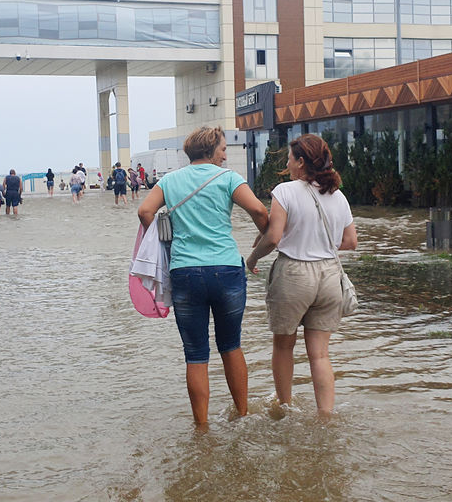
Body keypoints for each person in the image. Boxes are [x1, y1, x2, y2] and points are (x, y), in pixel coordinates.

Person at [138, 126, 268, 428]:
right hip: (226, 270)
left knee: (195, 353)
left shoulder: (170, 180)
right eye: (223, 148)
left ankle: (201, 427)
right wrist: (262, 236)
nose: (225, 154)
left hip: (185, 273)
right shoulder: (229, 179)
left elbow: (145, 212)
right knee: (231, 345)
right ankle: (242, 416)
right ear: (210, 150)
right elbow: (260, 211)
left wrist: (165, 240)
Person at [246, 134, 358, 416]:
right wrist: (320, 244)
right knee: (320, 354)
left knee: (283, 346)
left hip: (294, 273)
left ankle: (284, 408)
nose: (286, 162)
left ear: (300, 162)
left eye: (288, 158)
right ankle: (326, 416)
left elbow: (272, 238)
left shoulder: (285, 191)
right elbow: (350, 241)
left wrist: (252, 258)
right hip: (330, 275)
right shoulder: (338, 195)